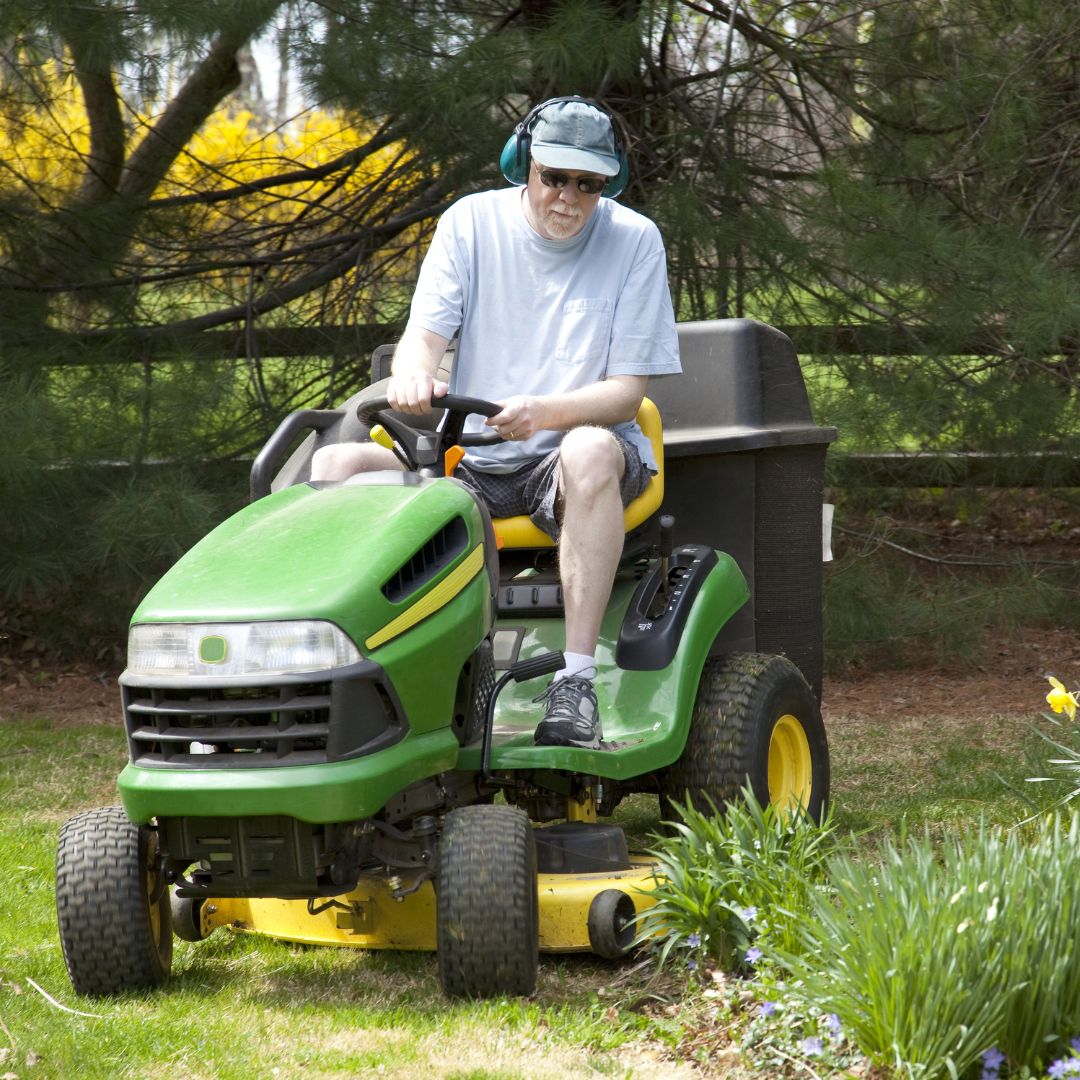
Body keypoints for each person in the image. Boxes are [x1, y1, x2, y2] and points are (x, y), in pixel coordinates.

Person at [311, 96, 680, 749]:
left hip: (568, 459)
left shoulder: (635, 240)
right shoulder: (469, 223)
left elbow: (626, 395)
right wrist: (414, 374)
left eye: (588, 184)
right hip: (473, 456)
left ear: (609, 183)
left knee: (591, 450)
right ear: (523, 164)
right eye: (554, 177)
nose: (568, 197)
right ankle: (342, 674)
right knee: (335, 464)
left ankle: (575, 683)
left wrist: (545, 413)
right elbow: (424, 338)